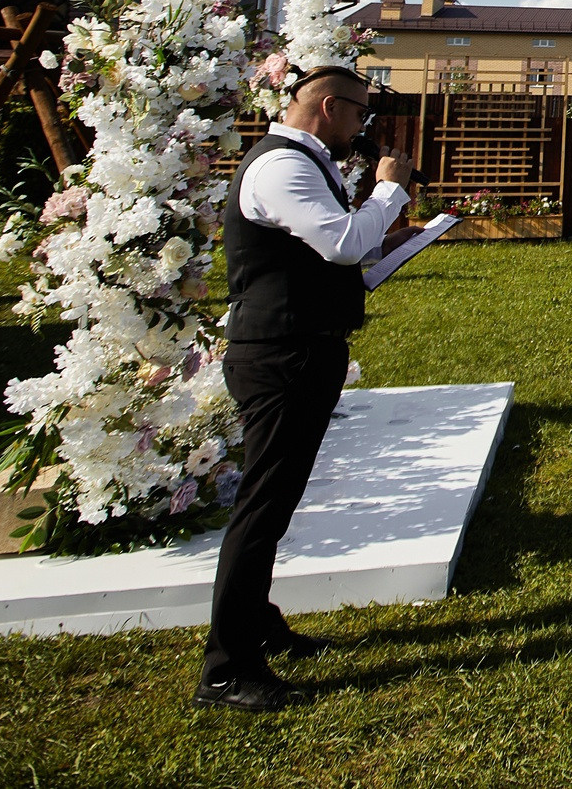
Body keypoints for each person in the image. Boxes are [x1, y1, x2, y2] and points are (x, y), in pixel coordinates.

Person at [198, 65, 416, 712]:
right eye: (359, 114)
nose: (362, 127)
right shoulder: (280, 166)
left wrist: (389, 238)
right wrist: (388, 191)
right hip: (280, 353)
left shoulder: (305, 163)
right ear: (328, 107)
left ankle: (259, 623)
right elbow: (343, 243)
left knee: (276, 499)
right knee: (262, 506)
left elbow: (323, 252)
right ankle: (226, 668)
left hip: (303, 347)